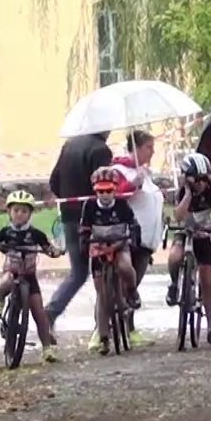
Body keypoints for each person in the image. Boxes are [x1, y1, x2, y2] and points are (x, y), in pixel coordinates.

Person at [0, 191, 64, 362]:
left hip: (29, 276)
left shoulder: (36, 234)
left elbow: (48, 249)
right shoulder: (6, 232)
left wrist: (56, 251)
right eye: (16, 210)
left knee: (39, 312)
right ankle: (0, 302)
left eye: (24, 211)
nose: (20, 214)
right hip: (11, 271)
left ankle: (47, 348)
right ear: (9, 212)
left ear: (30, 214)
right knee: (5, 283)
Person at [47, 131, 113, 324]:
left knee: (78, 272)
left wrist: (67, 201)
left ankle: (51, 311)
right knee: (105, 268)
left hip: (69, 215)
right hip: (93, 219)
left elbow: (54, 181)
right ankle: (105, 323)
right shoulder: (101, 150)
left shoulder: (69, 145)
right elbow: (104, 186)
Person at [166, 152, 211, 347]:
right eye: (196, 179)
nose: (201, 183)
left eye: (204, 179)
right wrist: (188, 193)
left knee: (208, 281)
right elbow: (178, 216)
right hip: (184, 232)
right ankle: (174, 284)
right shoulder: (182, 191)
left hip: (203, 233)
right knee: (175, 257)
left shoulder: (210, 189)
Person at [81, 167, 142, 356]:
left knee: (125, 266)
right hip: (98, 246)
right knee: (101, 294)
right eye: (101, 191)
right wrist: (83, 241)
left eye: (109, 191)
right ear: (95, 191)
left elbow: (133, 224)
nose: (105, 195)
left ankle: (131, 290)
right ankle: (104, 338)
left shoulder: (122, 205)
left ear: (115, 189)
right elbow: (84, 227)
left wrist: (134, 236)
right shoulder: (90, 206)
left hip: (119, 244)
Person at [111, 130, 163, 348]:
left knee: (134, 285)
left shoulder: (143, 171)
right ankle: (110, 328)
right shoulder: (119, 170)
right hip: (131, 236)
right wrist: (134, 184)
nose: (152, 152)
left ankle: (129, 326)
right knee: (124, 284)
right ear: (137, 147)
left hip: (147, 239)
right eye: (149, 147)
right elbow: (116, 195)